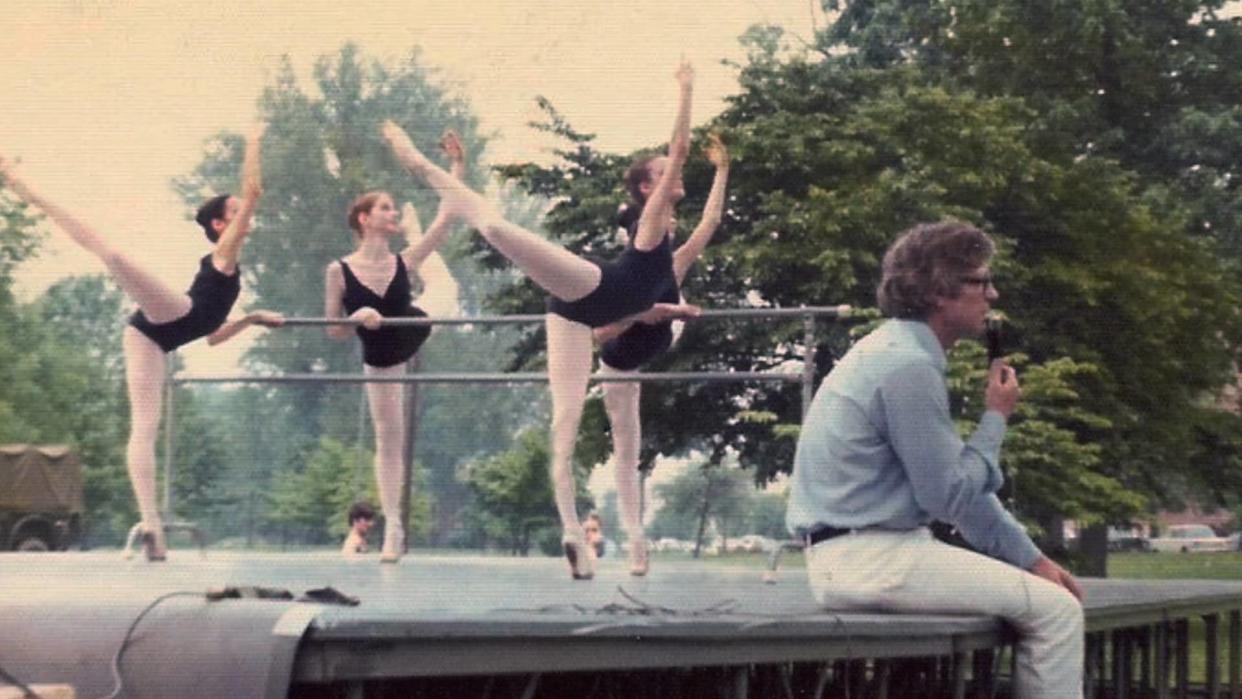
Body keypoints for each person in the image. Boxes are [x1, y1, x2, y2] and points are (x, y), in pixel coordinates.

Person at [381, 62, 702, 580]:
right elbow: (681, 148)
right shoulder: (652, 220)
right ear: (649, 189)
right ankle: (418, 162)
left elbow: (668, 271)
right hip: (591, 289)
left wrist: (668, 311)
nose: (677, 175)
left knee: (566, 421)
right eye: (665, 173)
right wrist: (686, 89)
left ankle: (582, 536)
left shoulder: (667, 244)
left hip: (593, 311)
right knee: (495, 226)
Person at [785, 221, 1084, 697]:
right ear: (939, 291)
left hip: (859, 556)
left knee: (1045, 595)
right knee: (1058, 612)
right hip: (874, 558)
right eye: (981, 281)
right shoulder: (908, 365)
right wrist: (995, 418)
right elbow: (947, 497)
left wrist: (1032, 560)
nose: (994, 293)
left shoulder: (894, 351)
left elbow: (960, 492)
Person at [0, 124, 278, 561]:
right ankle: (20, 185)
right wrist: (255, 141)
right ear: (222, 224)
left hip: (150, 338)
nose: (247, 212)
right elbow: (254, 188)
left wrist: (253, 318)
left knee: (145, 428)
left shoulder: (232, 270)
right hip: (172, 315)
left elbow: (212, 338)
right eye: (237, 210)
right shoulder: (223, 253)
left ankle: (153, 530)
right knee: (111, 254)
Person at [324, 130, 465, 563]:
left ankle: (419, 236)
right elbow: (333, 330)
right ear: (364, 219)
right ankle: (394, 529)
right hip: (381, 358)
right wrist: (353, 318)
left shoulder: (403, 262)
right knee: (390, 440)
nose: (390, 212)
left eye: (392, 208)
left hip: (416, 326)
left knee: (445, 286)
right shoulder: (340, 270)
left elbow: (451, 215)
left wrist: (457, 166)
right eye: (384, 207)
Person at [593, 132, 729, 576]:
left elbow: (708, 223)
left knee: (668, 301)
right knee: (627, 450)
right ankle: (635, 540)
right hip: (620, 357)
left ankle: (634, 539)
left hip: (662, 336)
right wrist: (660, 311)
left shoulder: (673, 260)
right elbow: (602, 332)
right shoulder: (632, 264)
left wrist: (723, 170)